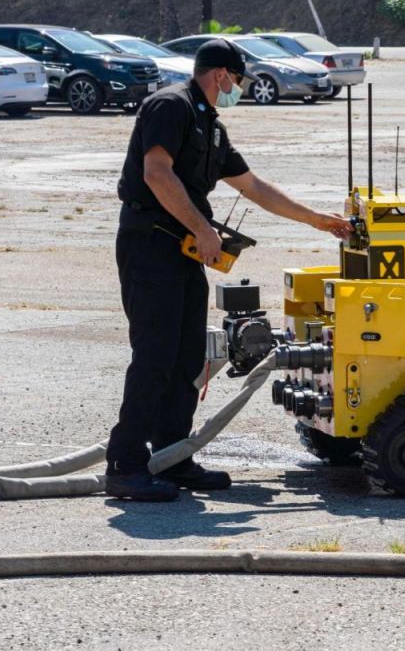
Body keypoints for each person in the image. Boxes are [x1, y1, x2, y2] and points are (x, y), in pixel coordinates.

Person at [107, 38, 351, 501]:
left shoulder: (211, 127)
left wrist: (317, 220)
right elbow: (157, 173)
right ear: (221, 75)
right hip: (149, 247)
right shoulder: (169, 106)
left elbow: (254, 186)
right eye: (237, 81)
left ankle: (173, 456)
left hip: (183, 252)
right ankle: (125, 464)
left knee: (186, 359)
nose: (238, 89)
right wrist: (203, 228)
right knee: (155, 356)